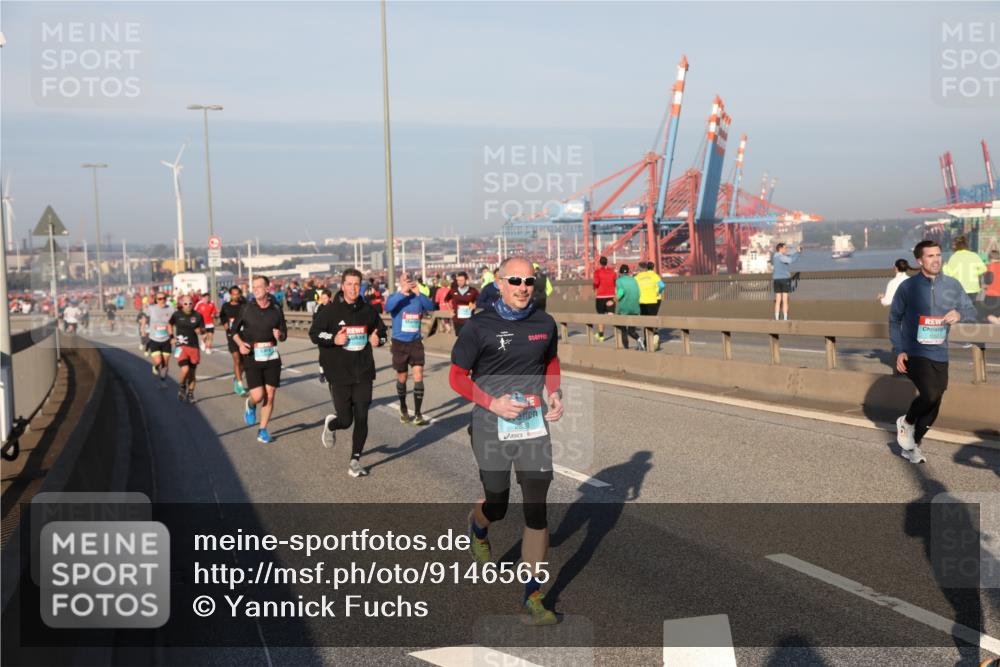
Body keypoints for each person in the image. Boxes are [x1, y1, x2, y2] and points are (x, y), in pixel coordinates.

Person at [449, 256, 564, 626]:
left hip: (532, 427)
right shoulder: (479, 326)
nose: (523, 287)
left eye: (529, 281)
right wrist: (492, 402)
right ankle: (478, 524)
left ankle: (533, 594)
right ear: (499, 283)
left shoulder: (544, 323)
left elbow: (550, 361)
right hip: (490, 425)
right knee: (497, 504)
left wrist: (555, 393)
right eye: (514, 280)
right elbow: (456, 376)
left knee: (536, 510)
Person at [889, 240, 977, 464]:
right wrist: (899, 350)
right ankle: (907, 422)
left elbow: (970, 310)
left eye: (938, 255)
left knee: (935, 402)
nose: (936, 259)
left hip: (940, 351)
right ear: (919, 261)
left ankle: (913, 446)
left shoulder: (952, 285)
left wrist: (959, 314)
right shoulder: (908, 287)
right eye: (930, 256)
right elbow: (894, 320)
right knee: (930, 394)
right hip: (915, 350)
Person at [310, 269, 388, 477]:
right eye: (349, 284)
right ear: (342, 286)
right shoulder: (330, 311)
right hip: (339, 373)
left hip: (363, 371)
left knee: (362, 416)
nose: (353, 288)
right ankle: (332, 424)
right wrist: (333, 339)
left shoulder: (368, 311)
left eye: (357, 284)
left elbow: (382, 333)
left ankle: (355, 460)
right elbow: (314, 334)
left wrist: (378, 340)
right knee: (346, 420)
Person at [231, 275, 288, 444]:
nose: (255, 289)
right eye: (253, 287)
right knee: (258, 396)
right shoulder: (246, 308)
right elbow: (234, 331)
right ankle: (250, 404)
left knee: (270, 395)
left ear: (267, 289)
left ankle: (262, 430)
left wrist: (280, 335)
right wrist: (240, 344)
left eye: (258, 286)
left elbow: (284, 334)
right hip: (252, 356)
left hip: (271, 356)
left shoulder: (276, 309)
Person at [385, 272, 436, 425]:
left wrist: (419, 293)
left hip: (415, 342)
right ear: (400, 282)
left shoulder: (418, 297)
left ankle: (418, 413)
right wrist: (402, 292)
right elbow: (387, 307)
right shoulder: (395, 297)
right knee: (402, 377)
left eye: (410, 280)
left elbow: (431, 307)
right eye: (404, 280)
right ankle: (403, 407)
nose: (408, 282)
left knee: (418, 374)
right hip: (399, 342)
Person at [169, 296, 205, 404]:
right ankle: (182, 386)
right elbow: (169, 324)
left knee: (192, 374)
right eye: (185, 304)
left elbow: (203, 330)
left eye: (190, 303)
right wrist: (171, 337)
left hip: (194, 347)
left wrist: (200, 331)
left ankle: (190, 394)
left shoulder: (198, 315)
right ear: (182, 304)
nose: (188, 306)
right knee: (185, 369)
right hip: (181, 346)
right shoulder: (177, 314)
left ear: (193, 304)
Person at [220, 286, 248, 396]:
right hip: (231, 336)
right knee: (237, 360)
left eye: (237, 294)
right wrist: (224, 323)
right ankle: (240, 386)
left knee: (244, 363)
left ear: (240, 294)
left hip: (244, 336)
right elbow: (222, 316)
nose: (235, 296)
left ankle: (237, 378)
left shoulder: (244, 305)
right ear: (230, 295)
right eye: (233, 294)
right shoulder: (226, 306)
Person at [942, 235, 987, 300]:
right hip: (973, 288)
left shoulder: (954, 257)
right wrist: (974, 272)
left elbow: (949, 274)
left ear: (956, 246)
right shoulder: (974, 255)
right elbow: (983, 269)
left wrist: (944, 266)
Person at [145, 292, 174, 389]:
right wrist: (144, 328)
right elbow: (144, 318)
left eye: (164, 298)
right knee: (159, 362)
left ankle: (163, 381)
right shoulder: (151, 308)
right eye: (160, 299)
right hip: (154, 339)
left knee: (165, 364)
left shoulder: (171, 309)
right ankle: (156, 366)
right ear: (156, 300)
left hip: (166, 340)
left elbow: (172, 323)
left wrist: (172, 336)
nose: (162, 300)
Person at [635, 261, 665, 349]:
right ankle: (654, 337)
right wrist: (657, 292)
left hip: (642, 302)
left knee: (645, 322)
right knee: (652, 320)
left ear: (639, 269)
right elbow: (662, 285)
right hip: (653, 301)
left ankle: (647, 342)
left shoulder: (636, 277)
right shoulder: (654, 275)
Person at [615, 264, 643, 350]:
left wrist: (614, 299)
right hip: (635, 308)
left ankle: (626, 347)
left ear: (620, 273)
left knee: (623, 329)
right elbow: (639, 293)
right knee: (631, 330)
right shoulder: (634, 280)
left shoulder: (619, 281)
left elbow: (621, 292)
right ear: (628, 272)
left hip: (624, 308)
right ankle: (639, 339)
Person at [771, 242, 801, 321]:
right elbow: (790, 260)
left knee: (778, 300)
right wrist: (798, 253)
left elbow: (789, 257)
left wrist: (796, 252)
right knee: (785, 300)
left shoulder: (775, 256)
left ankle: (777, 318)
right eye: (785, 248)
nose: (786, 249)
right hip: (784, 279)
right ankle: (785, 318)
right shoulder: (780, 257)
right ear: (780, 249)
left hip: (776, 279)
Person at [592, 256, 617, 341]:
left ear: (600, 263)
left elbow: (596, 283)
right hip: (611, 296)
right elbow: (615, 283)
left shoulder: (597, 272)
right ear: (607, 262)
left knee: (601, 316)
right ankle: (618, 333)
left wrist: (595, 287)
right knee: (612, 316)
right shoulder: (613, 272)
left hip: (601, 296)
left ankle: (601, 336)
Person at [447, 272, 479, 337]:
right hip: (457, 320)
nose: (459, 282)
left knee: (469, 338)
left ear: (466, 280)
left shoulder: (473, 291)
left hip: (469, 319)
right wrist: (450, 310)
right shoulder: (453, 291)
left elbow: (481, 300)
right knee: (459, 338)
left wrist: (475, 305)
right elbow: (446, 300)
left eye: (461, 280)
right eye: (458, 280)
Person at [315, 289, 333, 384]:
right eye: (322, 298)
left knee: (333, 354)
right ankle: (322, 372)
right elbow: (314, 320)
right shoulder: (318, 308)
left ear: (329, 298)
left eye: (325, 298)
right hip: (322, 334)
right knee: (322, 354)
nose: (323, 300)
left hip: (332, 335)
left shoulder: (335, 307)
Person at [980, 248, 1000, 322]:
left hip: (991, 296)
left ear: (989, 258)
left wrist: (982, 287)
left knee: (988, 315)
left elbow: (986, 282)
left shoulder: (987, 267)